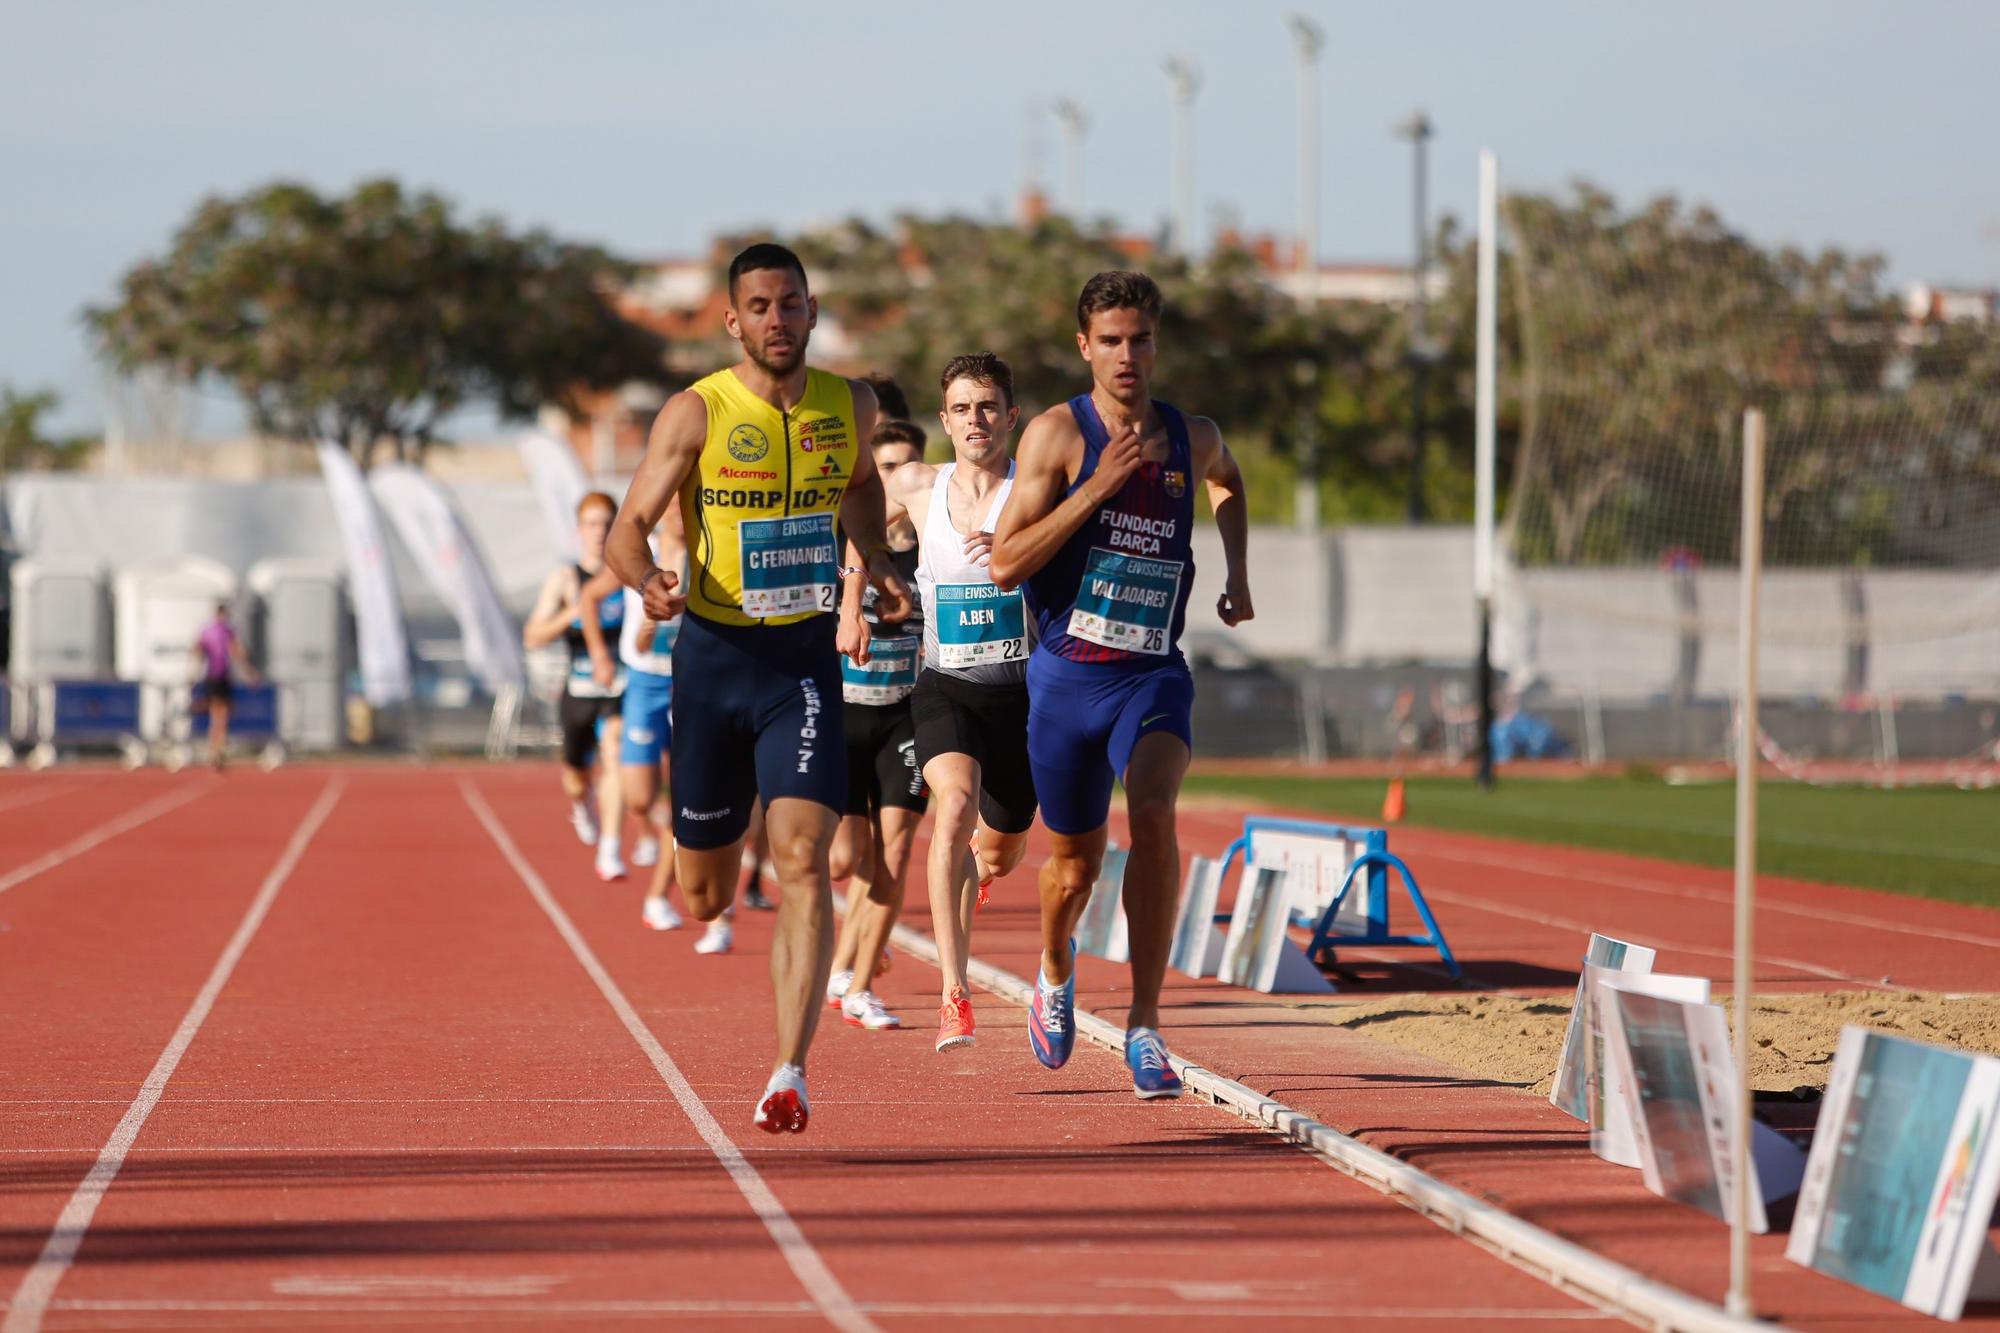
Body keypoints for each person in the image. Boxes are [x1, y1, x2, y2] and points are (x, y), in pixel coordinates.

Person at [606, 242, 910, 1135]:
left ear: (813, 312)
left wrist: (879, 562)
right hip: (711, 666)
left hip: (802, 669)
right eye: (760, 306)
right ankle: (707, 872)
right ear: (733, 320)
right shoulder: (696, 412)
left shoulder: (848, 405)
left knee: (808, 861)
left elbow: (858, 492)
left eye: (792, 303)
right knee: (704, 892)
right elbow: (626, 530)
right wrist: (647, 581)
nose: (778, 319)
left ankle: (790, 1070)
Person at [990, 271, 1253, 1100]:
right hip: (1066, 679)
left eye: (1140, 338)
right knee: (1072, 868)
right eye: (1111, 340)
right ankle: (1055, 967)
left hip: (1151, 672)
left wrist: (1237, 572)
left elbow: (1230, 482)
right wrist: (1097, 488)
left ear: (1156, 342)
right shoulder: (1055, 437)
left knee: (1153, 806)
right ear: (1085, 346)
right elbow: (1004, 563)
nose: (1127, 354)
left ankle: (1146, 1023)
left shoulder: (1193, 435)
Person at [879, 352, 1040, 1053]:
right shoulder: (918, 484)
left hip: (1027, 695)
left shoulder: (1037, 488)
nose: (976, 420)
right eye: (962, 408)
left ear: (1010, 416)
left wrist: (1022, 545)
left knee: (1000, 851)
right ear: (943, 420)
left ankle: (984, 858)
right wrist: (858, 583)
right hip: (947, 684)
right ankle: (954, 991)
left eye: (988, 407)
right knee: (950, 806)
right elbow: (858, 509)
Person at [824, 419, 929, 1032]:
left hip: (904, 716)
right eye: (884, 469)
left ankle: (859, 982)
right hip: (844, 715)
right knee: (846, 860)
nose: (896, 480)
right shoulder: (845, 543)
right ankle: (851, 955)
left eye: (906, 466)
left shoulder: (935, 544)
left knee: (895, 850)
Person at [579, 502, 689, 931]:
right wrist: (601, 654)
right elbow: (589, 597)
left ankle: (659, 895)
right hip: (645, 683)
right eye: (672, 504)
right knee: (641, 799)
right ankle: (654, 830)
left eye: (687, 501)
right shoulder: (639, 558)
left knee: (684, 799)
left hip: (691, 687)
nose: (679, 513)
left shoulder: (708, 555)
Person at [524, 492, 629, 882]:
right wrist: (576, 609)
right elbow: (532, 636)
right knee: (575, 777)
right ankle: (582, 803)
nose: (600, 532)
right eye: (592, 524)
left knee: (616, 753)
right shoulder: (566, 579)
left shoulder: (628, 574)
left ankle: (611, 847)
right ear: (579, 531)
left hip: (619, 687)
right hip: (579, 691)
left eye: (607, 524)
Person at [190, 603, 257, 770]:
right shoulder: (225, 631)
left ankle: (215, 749)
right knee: (221, 715)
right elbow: (237, 652)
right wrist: (249, 673)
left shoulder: (207, 630)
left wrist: (192, 673)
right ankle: (217, 749)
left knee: (218, 715)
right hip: (219, 677)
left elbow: (197, 651)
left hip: (214, 678)